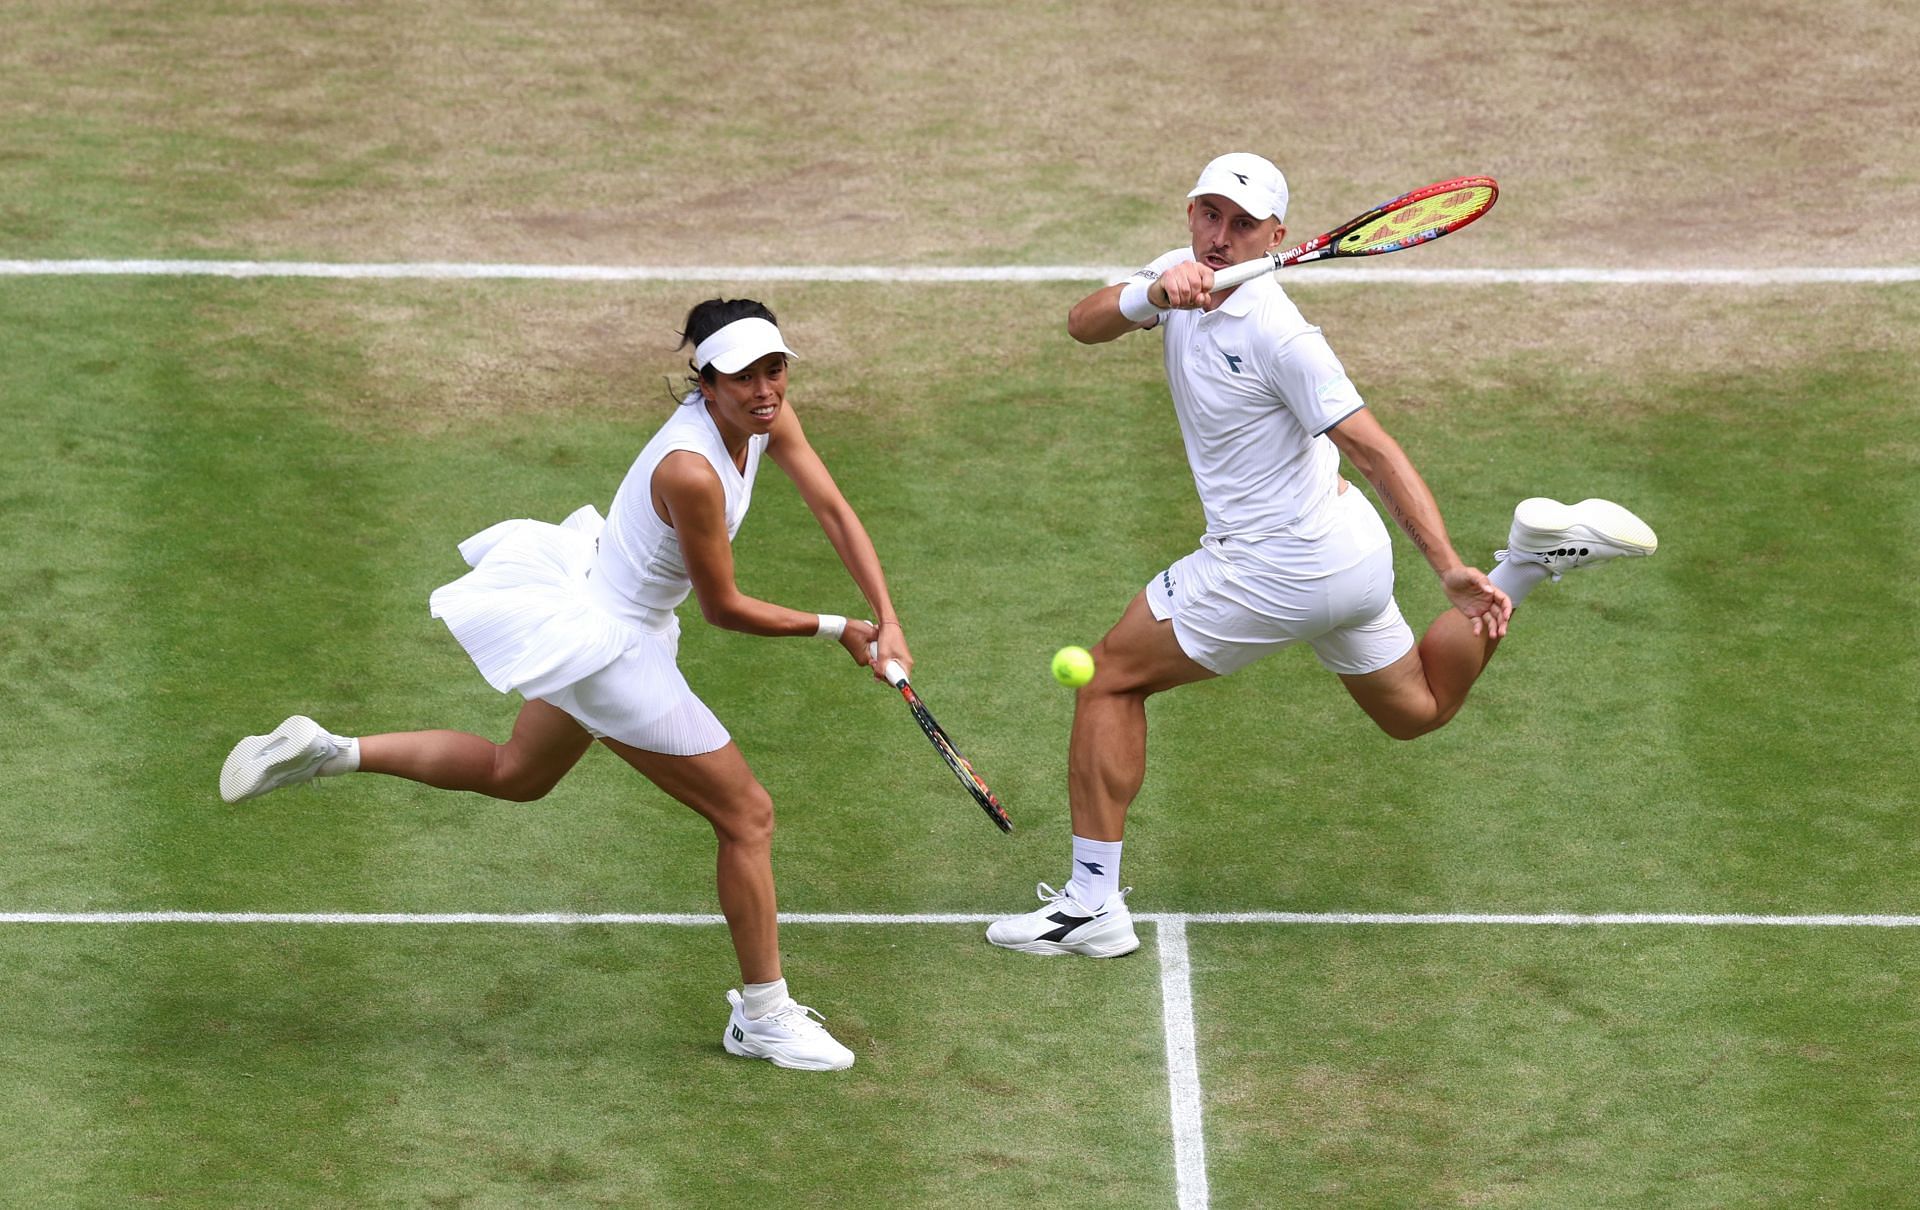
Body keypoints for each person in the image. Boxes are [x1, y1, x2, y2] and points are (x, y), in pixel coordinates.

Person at [986, 153, 1657, 957]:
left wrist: (1444, 565)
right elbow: (1083, 321)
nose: (1219, 237)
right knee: (1417, 711)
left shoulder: (1283, 336)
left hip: (1273, 566)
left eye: (1241, 225)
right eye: (1208, 215)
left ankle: (1092, 905)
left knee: (1107, 677)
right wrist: (1154, 294)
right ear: (1189, 212)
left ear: (1277, 236)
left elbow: (1376, 452)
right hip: (1346, 556)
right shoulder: (1177, 277)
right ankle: (1528, 561)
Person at [220, 298, 909, 1070]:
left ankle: (328, 750)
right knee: (748, 816)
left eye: (773, 369)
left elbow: (833, 508)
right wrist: (838, 627)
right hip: (612, 645)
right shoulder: (691, 472)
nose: (764, 389)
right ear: (705, 381)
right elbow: (724, 608)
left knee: (517, 773)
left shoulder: (766, 418)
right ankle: (764, 1015)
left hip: (599, 611)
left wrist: (887, 612)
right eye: (742, 375)